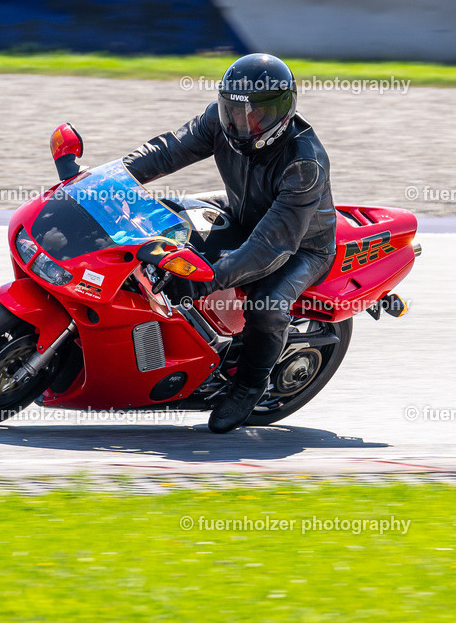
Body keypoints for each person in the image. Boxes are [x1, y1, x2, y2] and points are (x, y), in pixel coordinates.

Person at [122, 53, 336, 433]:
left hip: (301, 245)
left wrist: (207, 279)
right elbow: (169, 149)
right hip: (242, 211)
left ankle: (249, 386)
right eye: (235, 112)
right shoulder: (218, 123)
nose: (245, 122)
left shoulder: (304, 164)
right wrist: (113, 177)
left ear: (283, 112)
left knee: (265, 306)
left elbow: (271, 246)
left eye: (259, 114)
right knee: (165, 215)